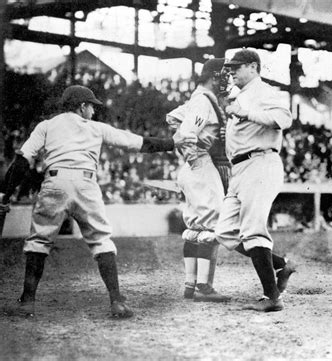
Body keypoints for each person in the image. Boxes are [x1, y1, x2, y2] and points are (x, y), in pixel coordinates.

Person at [0, 85, 195, 318]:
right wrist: (173, 143)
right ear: (82, 106)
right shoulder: (96, 128)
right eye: (91, 106)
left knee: (39, 241)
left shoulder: (46, 126)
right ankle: (117, 301)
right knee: (101, 239)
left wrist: (6, 193)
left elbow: (22, 161)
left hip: (55, 181)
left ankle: (27, 302)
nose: (93, 111)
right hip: (86, 183)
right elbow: (138, 142)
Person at [214, 49, 295, 312]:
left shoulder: (265, 93)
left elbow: (285, 119)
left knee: (252, 231)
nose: (232, 71)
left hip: (260, 163)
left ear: (253, 67)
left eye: (237, 67)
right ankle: (281, 263)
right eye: (230, 67)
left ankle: (272, 297)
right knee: (225, 232)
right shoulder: (239, 96)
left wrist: (247, 113)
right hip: (240, 168)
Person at [166, 58, 231, 302]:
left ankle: (190, 284)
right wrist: (195, 151)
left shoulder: (200, 99)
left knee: (194, 227)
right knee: (212, 224)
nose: (227, 79)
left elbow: (172, 117)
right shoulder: (204, 101)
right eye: (224, 74)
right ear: (214, 76)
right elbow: (186, 132)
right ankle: (204, 286)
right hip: (201, 165)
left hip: (194, 168)